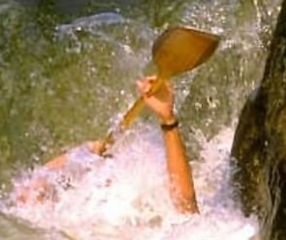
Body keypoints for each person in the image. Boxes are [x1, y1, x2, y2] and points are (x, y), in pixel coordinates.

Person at [15, 75, 199, 214]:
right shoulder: (64, 218)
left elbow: (186, 210)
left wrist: (168, 119)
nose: (32, 196)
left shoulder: (121, 200)